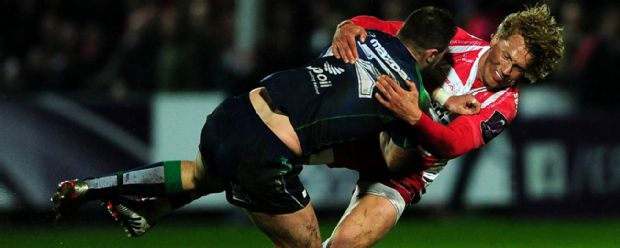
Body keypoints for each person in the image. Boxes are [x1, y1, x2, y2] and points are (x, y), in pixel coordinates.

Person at [51, 6, 458, 247]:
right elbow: (394, 160)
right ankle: (145, 207)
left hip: (237, 110)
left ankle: (94, 188)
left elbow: (338, 83)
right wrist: (420, 119)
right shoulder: (411, 91)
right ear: (433, 54)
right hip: (265, 154)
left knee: (198, 175)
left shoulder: (353, 36)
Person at [323, 4, 565, 247]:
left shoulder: (503, 105)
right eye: (506, 56)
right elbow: (387, 29)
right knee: (286, 150)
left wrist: (415, 117)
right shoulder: (456, 42)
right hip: (371, 132)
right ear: (496, 38)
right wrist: (348, 25)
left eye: (518, 68)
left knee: (344, 244)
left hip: (405, 172)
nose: (505, 70)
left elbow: (450, 144)